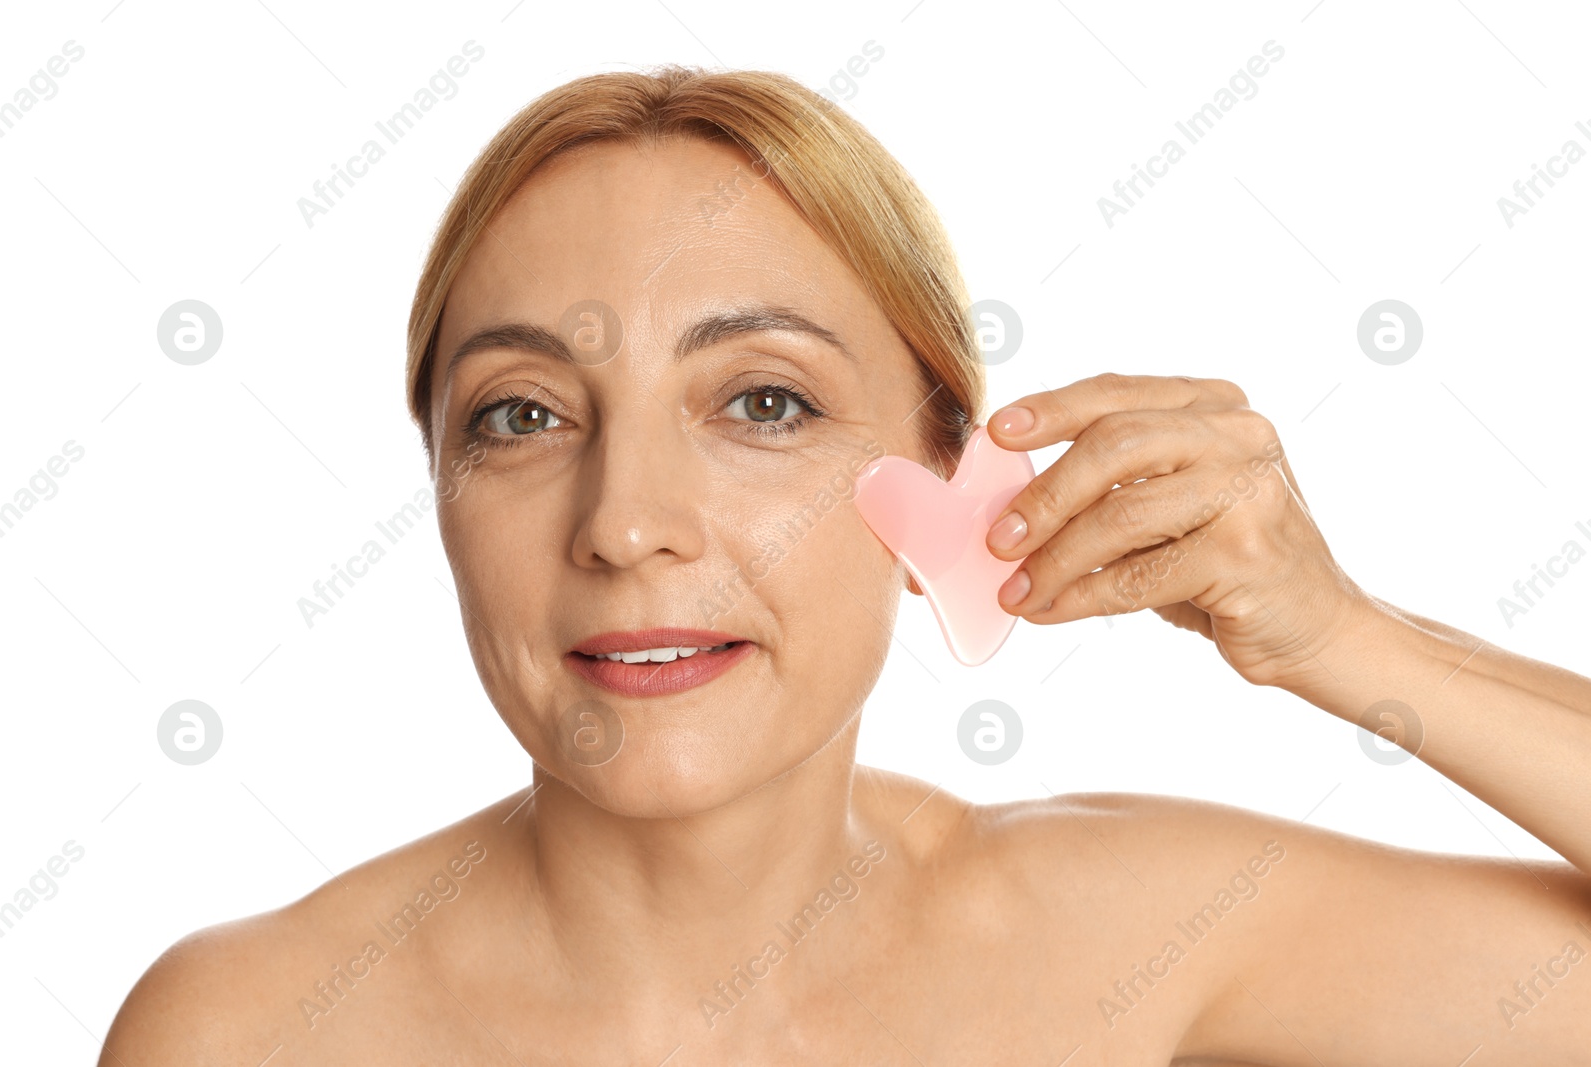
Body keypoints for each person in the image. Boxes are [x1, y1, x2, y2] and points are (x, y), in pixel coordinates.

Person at [101, 65, 1591, 1065]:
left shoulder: (1145, 935)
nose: (626, 523)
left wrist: (1347, 641)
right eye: (523, 415)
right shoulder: (245, 1029)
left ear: (950, 474)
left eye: (764, 402)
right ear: (439, 485)